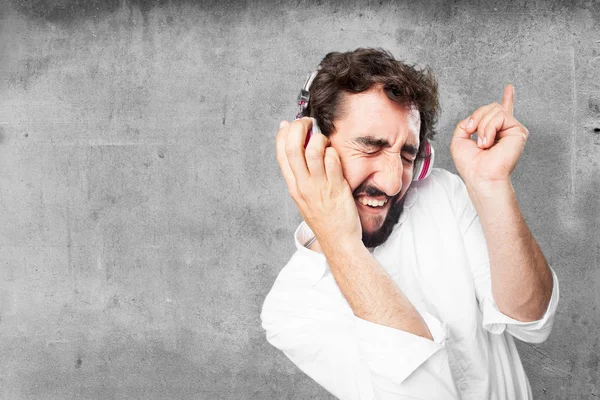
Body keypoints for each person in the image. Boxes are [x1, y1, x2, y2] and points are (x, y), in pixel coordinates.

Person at [260, 48, 558, 399]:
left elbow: (532, 323)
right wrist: (341, 241)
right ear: (311, 145)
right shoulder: (291, 308)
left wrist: (492, 186)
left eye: (406, 155)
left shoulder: (443, 193)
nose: (391, 183)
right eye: (370, 147)